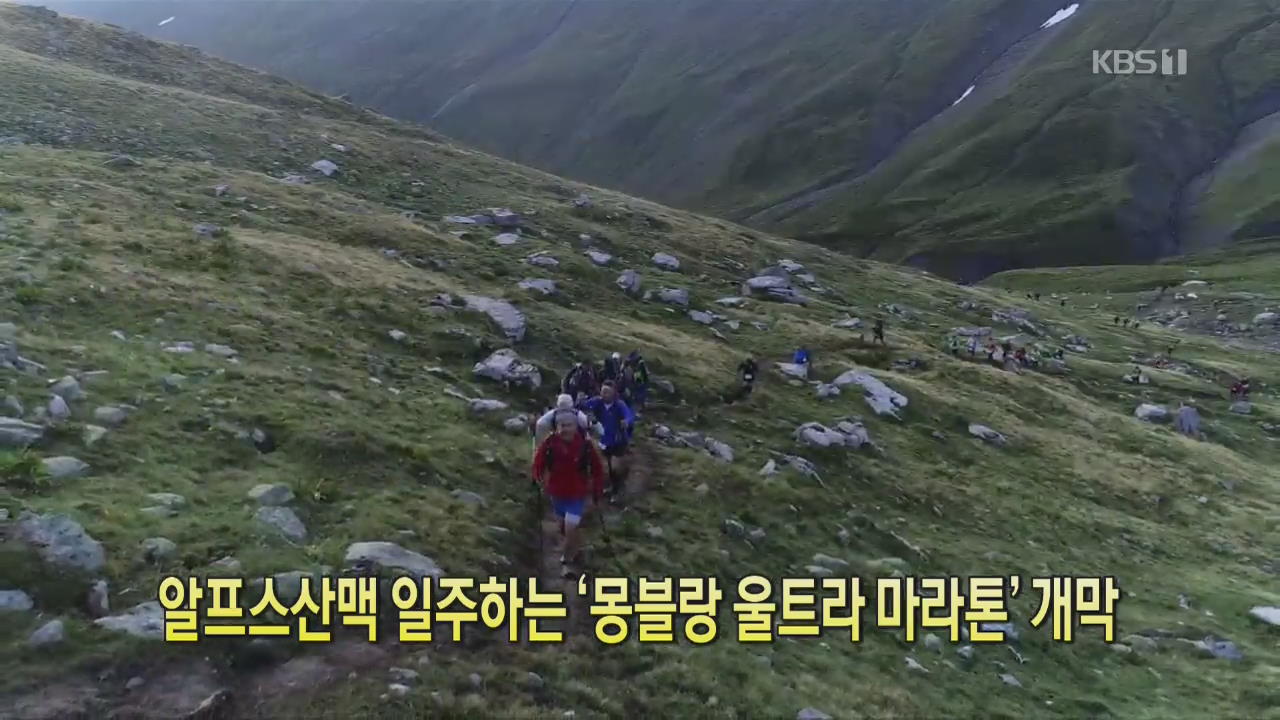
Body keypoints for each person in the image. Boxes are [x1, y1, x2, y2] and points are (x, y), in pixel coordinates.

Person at [532, 411, 605, 575]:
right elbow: (538, 462)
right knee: (563, 528)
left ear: (575, 426)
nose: (565, 429)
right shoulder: (550, 443)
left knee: (570, 527)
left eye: (569, 425)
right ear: (556, 427)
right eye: (561, 426)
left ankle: (566, 561)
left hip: (577, 494)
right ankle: (577, 549)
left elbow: (597, 469)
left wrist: (597, 490)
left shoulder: (585, 445)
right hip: (556, 493)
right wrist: (537, 477)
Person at [582, 382, 636, 501]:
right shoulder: (597, 402)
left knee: (617, 468)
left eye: (607, 392)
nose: (604, 394)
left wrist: (626, 422)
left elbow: (629, 415)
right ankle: (611, 487)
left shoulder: (619, 405)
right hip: (603, 440)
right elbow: (582, 406)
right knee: (606, 466)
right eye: (602, 391)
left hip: (618, 441)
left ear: (614, 393)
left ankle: (619, 491)